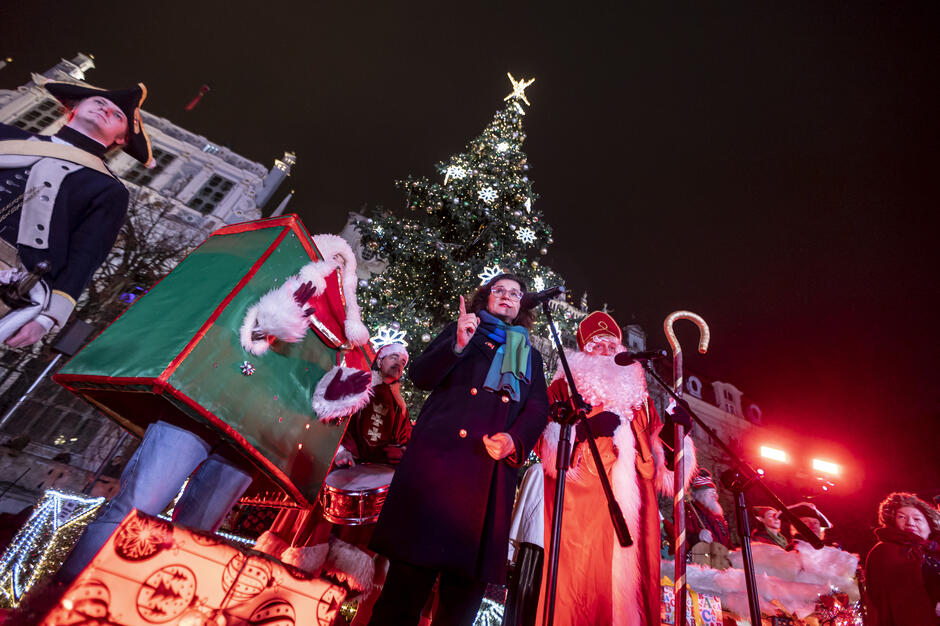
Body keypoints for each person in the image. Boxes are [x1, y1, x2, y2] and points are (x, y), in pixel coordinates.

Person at [57, 234, 373, 583]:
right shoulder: (277, 275)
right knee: (139, 504)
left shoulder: (339, 334)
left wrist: (331, 397)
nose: (335, 272)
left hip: (253, 437)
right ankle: (64, 595)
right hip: (201, 409)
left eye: (344, 268)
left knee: (195, 536)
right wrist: (269, 321)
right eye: (332, 261)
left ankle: (140, 611)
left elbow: (306, 391)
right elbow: (232, 319)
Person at [367, 274, 549, 626]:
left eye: (516, 293)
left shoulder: (530, 355)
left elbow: (537, 409)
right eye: (500, 291)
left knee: (459, 610)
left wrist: (514, 440)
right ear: (487, 296)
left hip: (487, 483)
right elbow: (420, 376)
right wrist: (458, 345)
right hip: (435, 474)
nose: (508, 297)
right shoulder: (463, 329)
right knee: (401, 598)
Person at [533, 310, 696, 626]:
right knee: (581, 593)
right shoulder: (562, 390)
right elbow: (547, 449)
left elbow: (661, 466)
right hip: (583, 515)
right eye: (597, 345)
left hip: (637, 517)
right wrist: (583, 431)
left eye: (612, 345)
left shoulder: (640, 401)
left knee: (634, 595)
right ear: (584, 353)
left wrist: (675, 434)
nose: (607, 350)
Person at [0, 81, 150, 347]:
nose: (106, 110)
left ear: (122, 138)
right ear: (73, 107)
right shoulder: (7, 137)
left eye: (117, 115)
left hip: (9, 280)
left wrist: (47, 319)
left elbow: (85, 257)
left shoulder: (109, 189)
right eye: (99, 102)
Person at [254, 341, 411, 575]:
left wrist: (400, 453)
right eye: (394, 357)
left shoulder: (400, 406)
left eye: (403, 362)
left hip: (364, 481)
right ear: (379, 360)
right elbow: (329, 416)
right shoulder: (359, 384)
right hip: (335, 468)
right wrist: (338, 451)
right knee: (313, 530)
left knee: (344, 545)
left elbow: (403, 439)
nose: (399, 363)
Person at [864, 491, 940, 625]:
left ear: (930, 527)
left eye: (917, 519)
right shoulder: (885, 551)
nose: (910, 522)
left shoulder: (934, 553)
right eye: (902, 517)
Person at [686, 469, 732, 549]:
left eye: (715, 492)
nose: (715, 496)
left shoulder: (718, 516)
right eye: (711, 493)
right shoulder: (689, 511)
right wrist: (697, 538)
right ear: (698, 495)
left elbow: (728, 543)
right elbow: (682, 538)